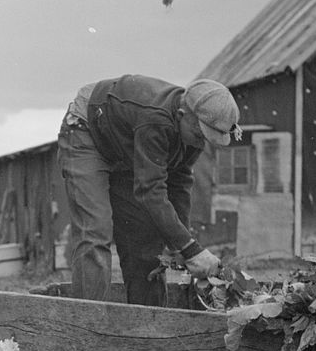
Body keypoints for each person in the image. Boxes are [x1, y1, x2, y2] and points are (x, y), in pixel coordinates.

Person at [57, 74, 242, 306]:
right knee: (96, 231)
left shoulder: (193, 135)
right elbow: (150, 191)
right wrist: (192, 249)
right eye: (199, 135)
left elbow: (180, 184)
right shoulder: (156, 120)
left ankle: (149, 327)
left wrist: (181, 244)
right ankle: (86, 325)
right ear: (183, 116)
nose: (200, 143)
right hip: (88, 132)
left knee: (145, 239)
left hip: (125, 146)